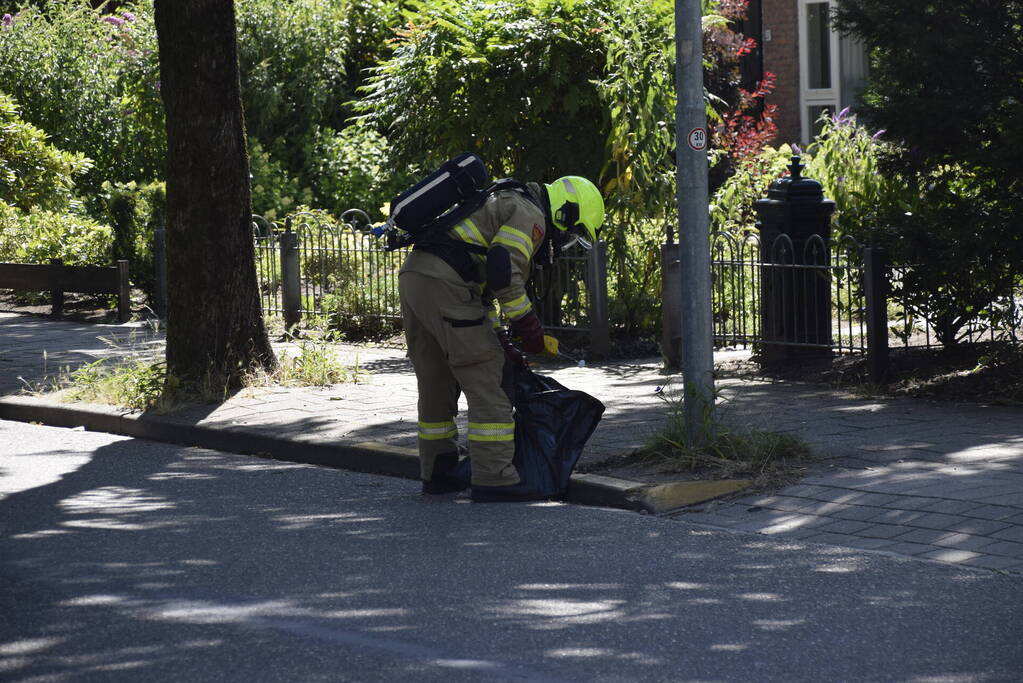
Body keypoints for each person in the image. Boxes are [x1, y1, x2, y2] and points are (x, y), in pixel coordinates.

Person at [398, 175, 605, 502]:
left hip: (417, 278)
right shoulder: (531, 214)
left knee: (436, 381)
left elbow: (481, 289)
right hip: (448, 286)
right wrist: (530, 329)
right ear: (565, 212)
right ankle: (494, 477)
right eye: (570, 233)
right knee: (487, 379)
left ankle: (438, 471)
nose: (563, 241)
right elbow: (503, 269)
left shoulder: (508, 197)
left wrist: (499, 336)